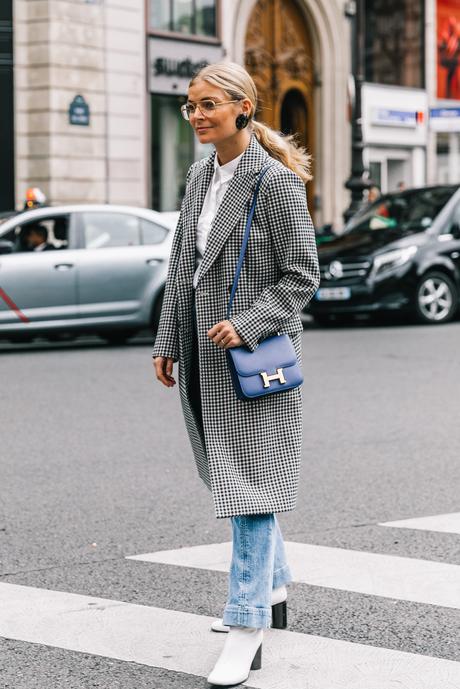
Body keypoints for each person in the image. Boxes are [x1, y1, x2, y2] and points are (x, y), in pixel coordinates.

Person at [152, 61, 320, 687]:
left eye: (207, 104)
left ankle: (247, 627)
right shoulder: (200, 174)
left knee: (247, 492)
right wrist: (168, 341)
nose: (196, 115)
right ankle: (273, 590)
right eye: (189, 105)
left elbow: (303, 277)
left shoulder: (273, 182)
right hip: (201, 352)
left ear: (244, 107)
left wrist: (248, 322)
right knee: (238, 480)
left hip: (256, 361)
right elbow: (180, 267)